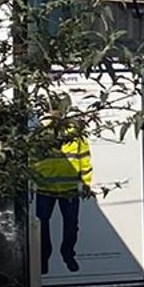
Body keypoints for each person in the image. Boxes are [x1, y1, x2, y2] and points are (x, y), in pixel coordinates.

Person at [32, 110, 93, 275]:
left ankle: (67, 254)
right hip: (46, 189)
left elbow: (84, 158)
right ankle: (44, 259)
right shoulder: (40, 132)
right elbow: (31, 158)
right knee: (43, 226)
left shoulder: (75, 132)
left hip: (67, 189)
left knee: (70, 225)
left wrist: (86, 183)